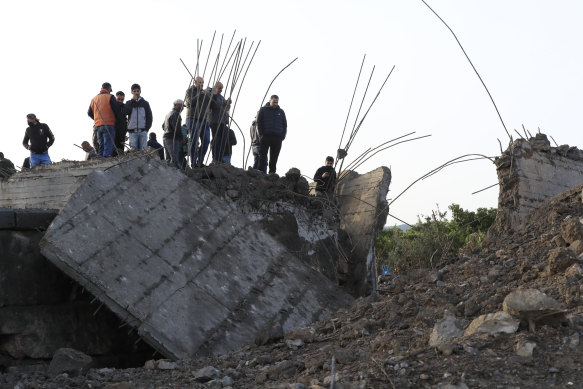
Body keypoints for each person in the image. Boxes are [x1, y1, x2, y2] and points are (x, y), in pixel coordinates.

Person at [87, 82, 122, 157]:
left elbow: (89, 112)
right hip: (109, 124)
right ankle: (106, 160)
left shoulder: (94, 99)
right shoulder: (110, 97)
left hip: (98, 125)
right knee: (108, 144)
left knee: (101, 145)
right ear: (109, 89)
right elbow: (116, 110)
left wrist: (96, 119)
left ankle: (100, 160)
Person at [184, 76, 211, 167]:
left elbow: (212, 105)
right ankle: (193, 162)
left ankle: (200, 160)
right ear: (195, 82)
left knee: (206, 141)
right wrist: (200, 94)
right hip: (192, 119)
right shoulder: (189, 91)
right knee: (194, 141)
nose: (201, 84)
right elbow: (189, 103)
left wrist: (211, 93)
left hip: (204, 120)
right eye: (199, 82)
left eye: (202, 82)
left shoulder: (205, 93)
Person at [257, 95, 287, 174]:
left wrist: (282, 136)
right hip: (265, 136)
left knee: (274, 158)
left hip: (277, 138)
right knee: (262, 156)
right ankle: (260, 173)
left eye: (277, 102)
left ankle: (272, 174)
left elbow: (284, 125)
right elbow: (258, 122)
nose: (275, 104)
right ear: (270, 101)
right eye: (274, 102)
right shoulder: (263, 110)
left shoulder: (281, 112)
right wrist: (260, 134)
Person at [125, 83, 153, 151]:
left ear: (140, 91)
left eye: (138, 91)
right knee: (133, 152)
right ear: (132, 92)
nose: (136, 93)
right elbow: (125, 112)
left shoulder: (145, 103)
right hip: (132, 132)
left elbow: (149, 116)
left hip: (143, 131)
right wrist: (132, 101)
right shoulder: (129, 103)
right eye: (134, 91)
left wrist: (147, 129)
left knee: (143, 151)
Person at [209, 81, 231, 163]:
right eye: (219, 88)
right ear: (215, 87)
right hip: (215, 121)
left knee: (223, 140)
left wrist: (227, 104)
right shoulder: (211, 94)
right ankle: (215, 158)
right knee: (216, 140)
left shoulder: (221, 97)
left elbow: (226, 109)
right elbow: (213, 105)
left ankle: (220, 158)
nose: (221, 90)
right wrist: (223, 102)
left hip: (222, 122)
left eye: (222, 88)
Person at [162, 99, 185, 168]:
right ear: (177, 105)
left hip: (165, 137)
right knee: (174, 159)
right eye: (182, 106)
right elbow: (177, 128)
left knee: (168, 159)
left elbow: (163, 126)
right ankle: (177, 176)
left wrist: (167, 130)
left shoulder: (168, 114)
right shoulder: (176, 114)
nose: (183, 108)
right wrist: (181, 138)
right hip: (172, 138)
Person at [114, 91, 128, 155]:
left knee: (121, 151)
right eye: (118, 99)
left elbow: (125, 120)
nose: (120, 101)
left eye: (122, 99)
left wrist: (125, 132)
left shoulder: (124, 107)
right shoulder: (112, 106)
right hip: (113, 131)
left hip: (122, 133)